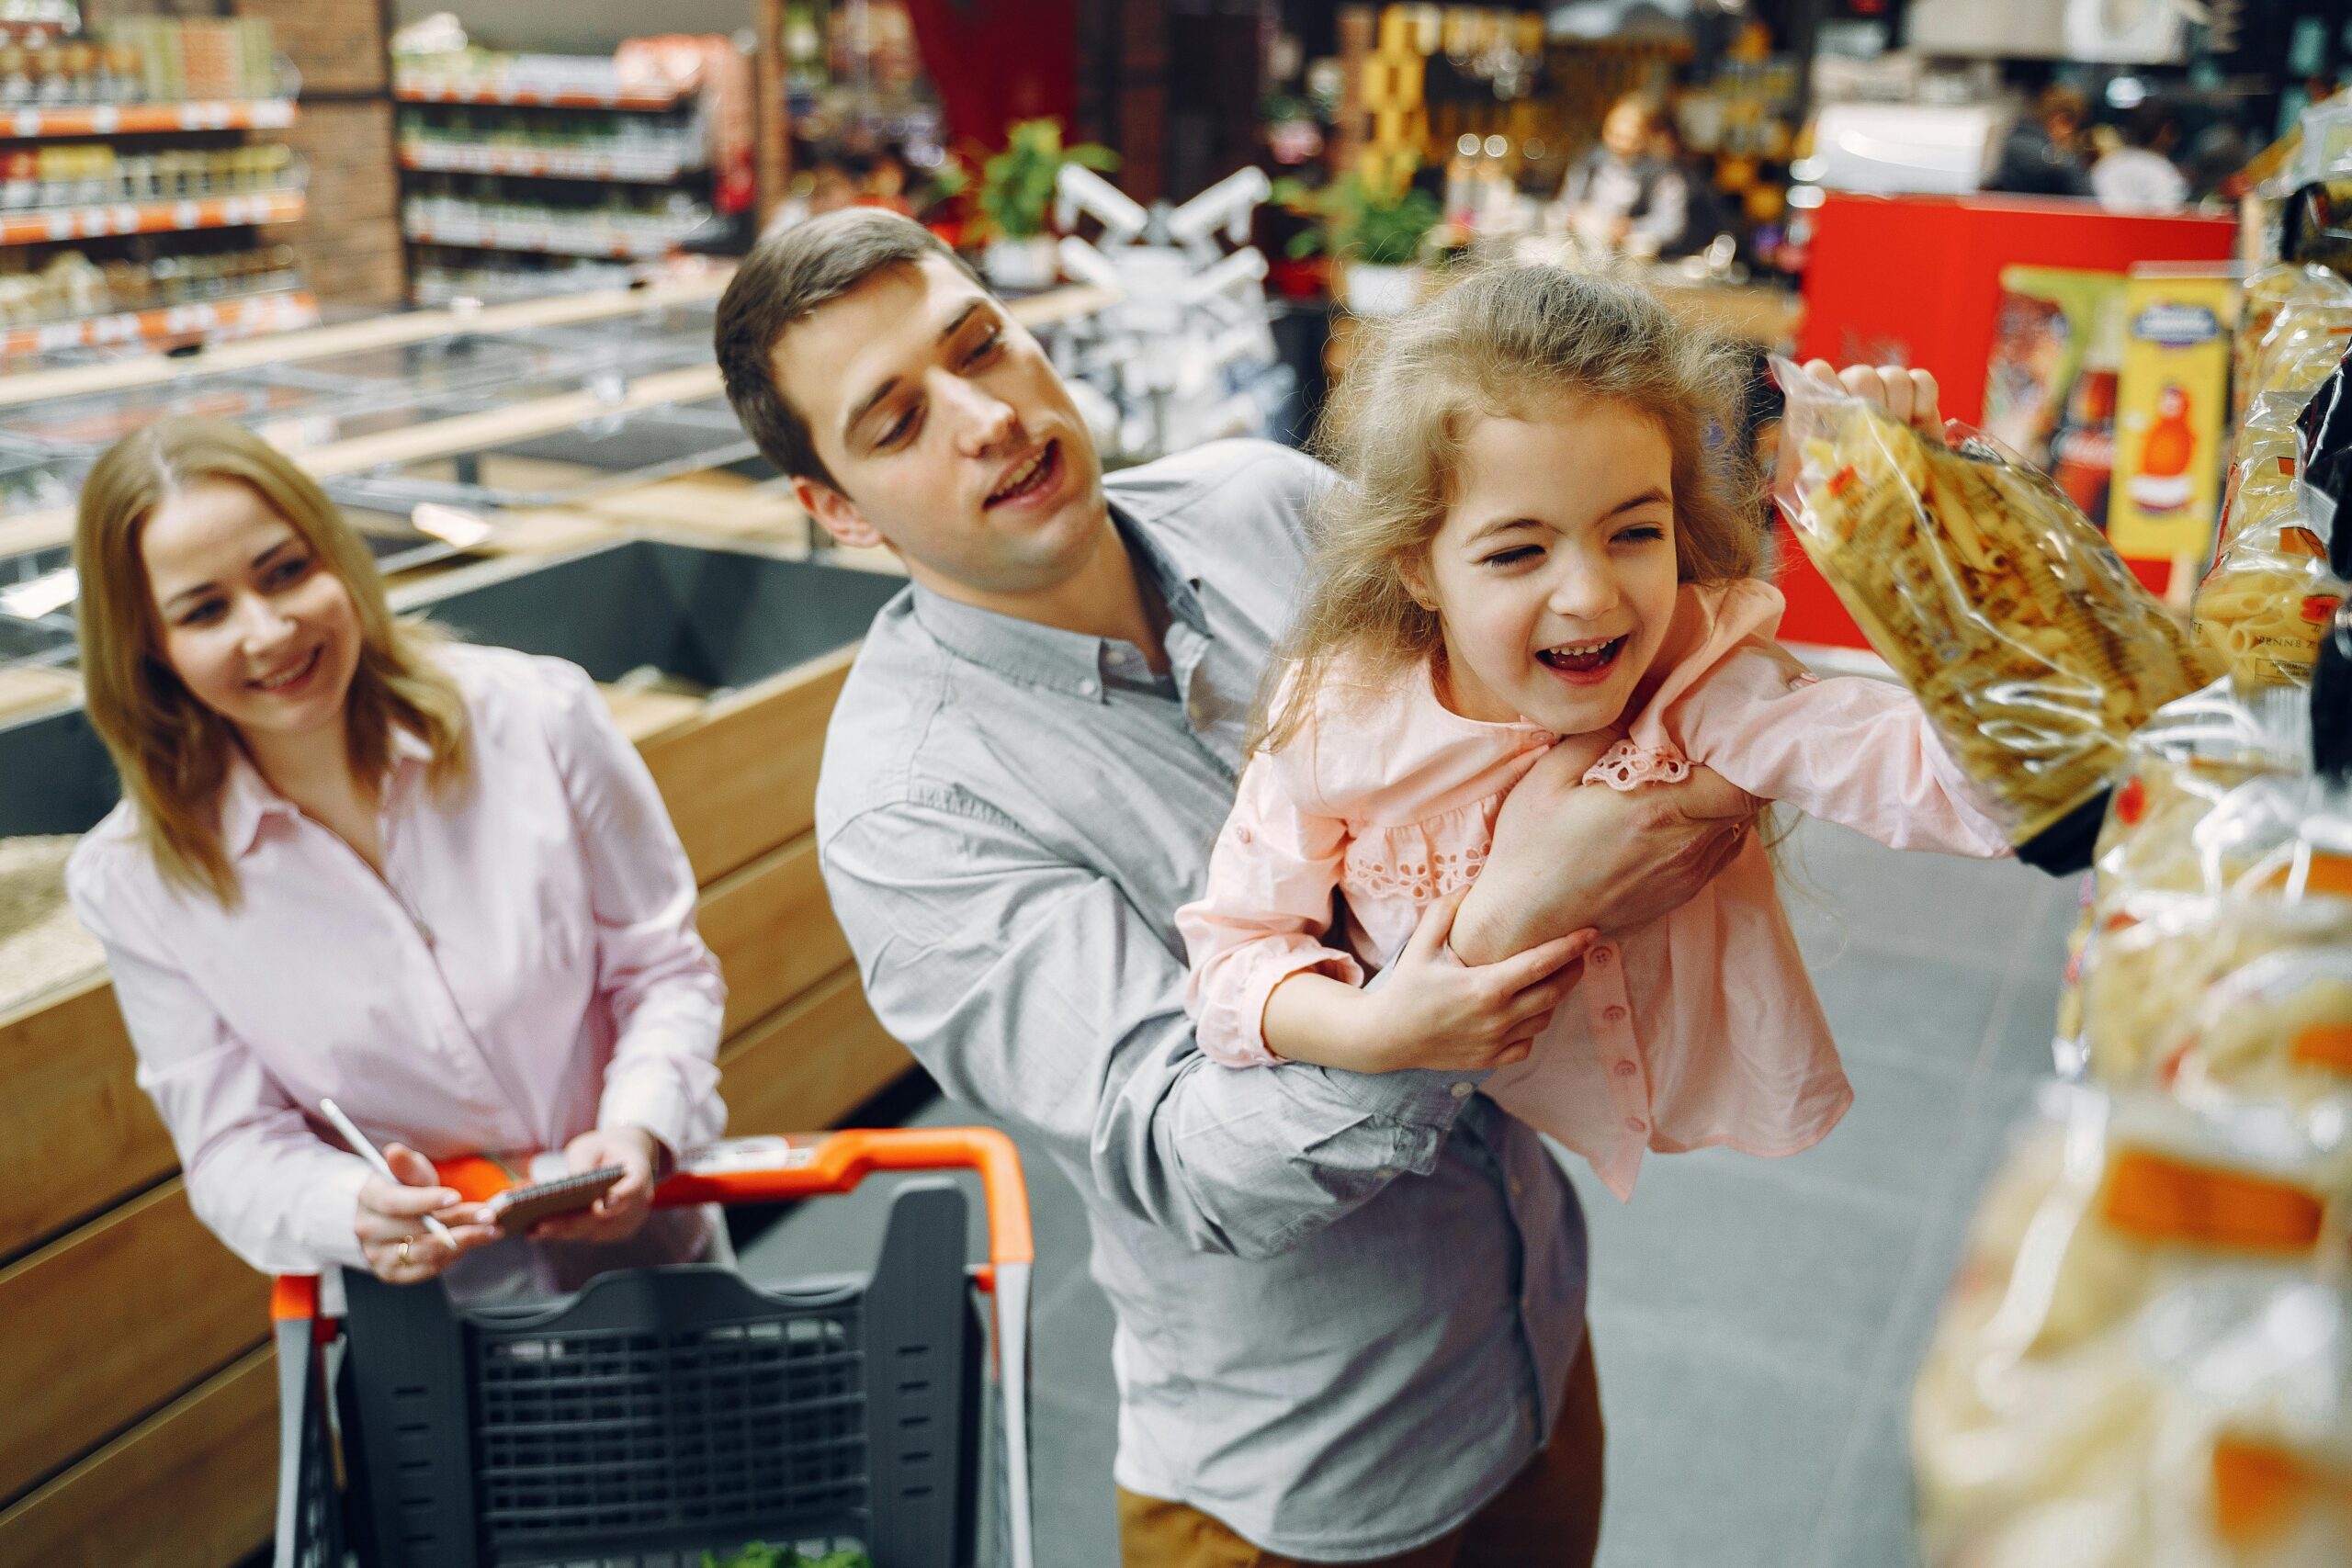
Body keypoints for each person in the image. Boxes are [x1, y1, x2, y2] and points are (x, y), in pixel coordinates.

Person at [714, 208, 1764, 1565]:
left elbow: (1563, 637)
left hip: (1533, 1340)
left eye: (982, 343)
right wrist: (1510, 921)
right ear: (835, 508)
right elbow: (1184, 1153)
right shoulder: (911, 808)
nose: (985, 415)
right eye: (897, 420)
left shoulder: (1270, 506)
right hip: (1303, 1481)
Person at [1176, 267, 2010, 1201]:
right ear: (1418, 568)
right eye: (1517, 551)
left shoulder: (1699, 676)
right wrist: (1378, 1030)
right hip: (1401, 1163)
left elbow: (1982, 795)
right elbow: (1232, 960)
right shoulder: (1340, 720)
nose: (1589, 595)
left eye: (1633, 533)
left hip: (1588, 1144)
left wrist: (1928, 566)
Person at [64, 417, 728, 1301]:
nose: (268, 631)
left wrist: (639, 1124)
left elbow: (664, 971)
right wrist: (352, 1205)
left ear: (335, 556)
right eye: (205, 610)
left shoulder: (537, 715)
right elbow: (230, 1146)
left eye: (286, 572)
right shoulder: (137, 881)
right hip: (422, 1334)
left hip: (656, 1264)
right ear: (149, 644)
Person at [1555, 93, 1691, 258]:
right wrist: (1573, 217)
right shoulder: (1589, 163)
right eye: (1614, 135)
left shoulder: (1662, 175)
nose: (1619, 144)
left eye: (1629, 138)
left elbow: (1671, 225)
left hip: (1634, 258)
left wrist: (1631, 228)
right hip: (1587, 252)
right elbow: (1565, 205)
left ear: (1645, 136)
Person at [1987, 84, 2095, 198]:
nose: (2070, 134)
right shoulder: (2027, 145)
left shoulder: (2021, 138)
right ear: (2060, 120)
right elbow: (2084, 195)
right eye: (2072, 127)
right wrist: (2071, 156)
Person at [2091, 101, 2189, 215]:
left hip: (2106, 230)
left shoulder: (2104, 166)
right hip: (2148, 231)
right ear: (2165, 130)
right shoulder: (2164, 172)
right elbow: (2171, 218)